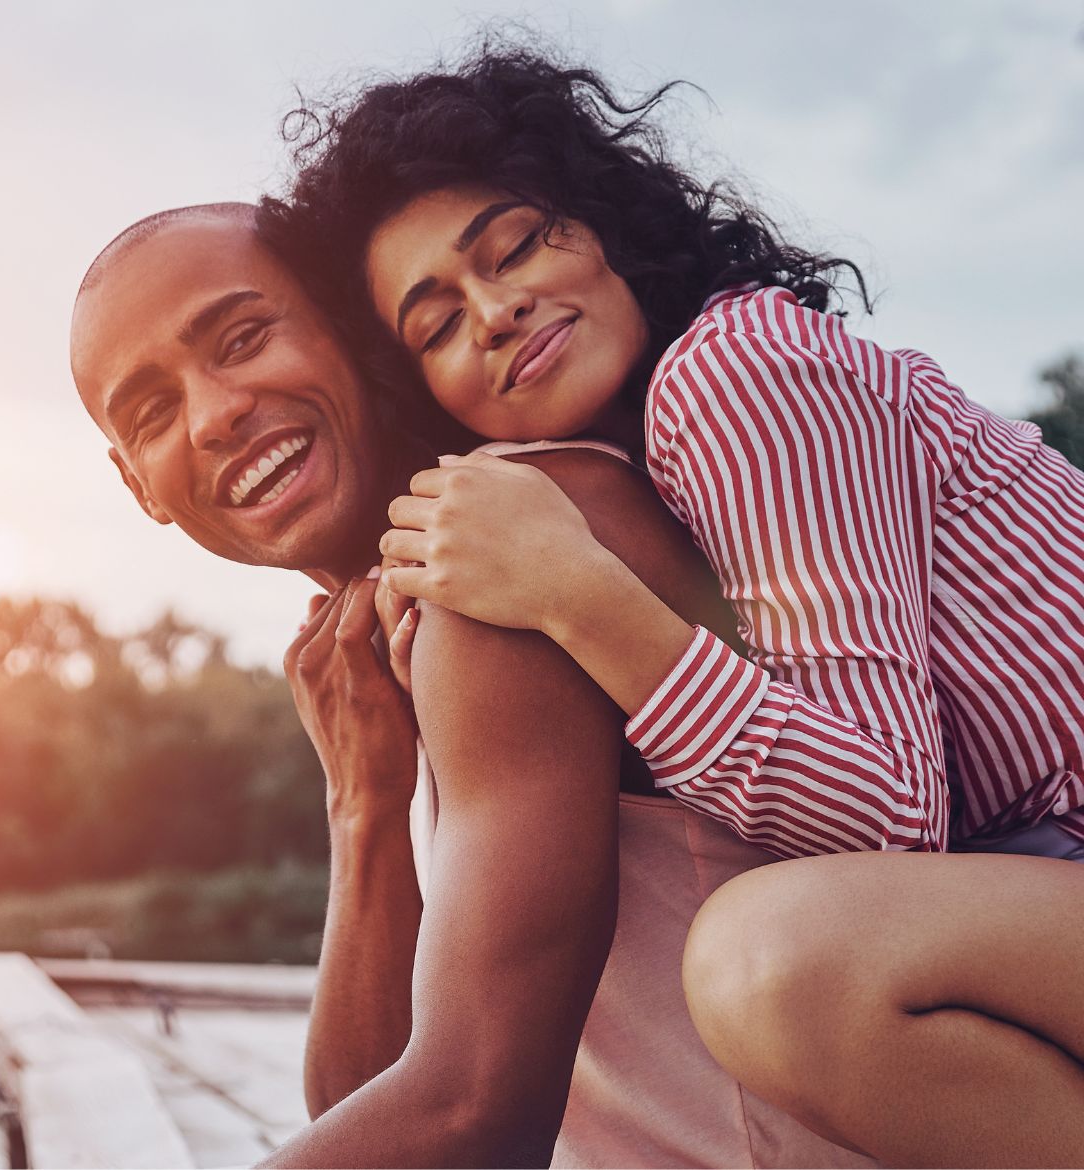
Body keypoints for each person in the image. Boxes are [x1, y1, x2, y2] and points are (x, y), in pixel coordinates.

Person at [266, 47, 1084, 1164]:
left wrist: (581, 597)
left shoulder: (735, 368)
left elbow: (896, 825)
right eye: (438, 324)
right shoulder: (619, 482)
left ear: (599, 222)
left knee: (777, 963)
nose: (497, 309)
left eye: (513, 245)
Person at [69, 202, 878, 1166]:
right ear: (141, 488)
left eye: (243, 339)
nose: (215, 414)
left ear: (355, 326)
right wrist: (364, 804)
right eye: (155, 412)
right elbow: (356, 1107)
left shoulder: (513, 543)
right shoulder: (400, 626)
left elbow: (472, 1120)